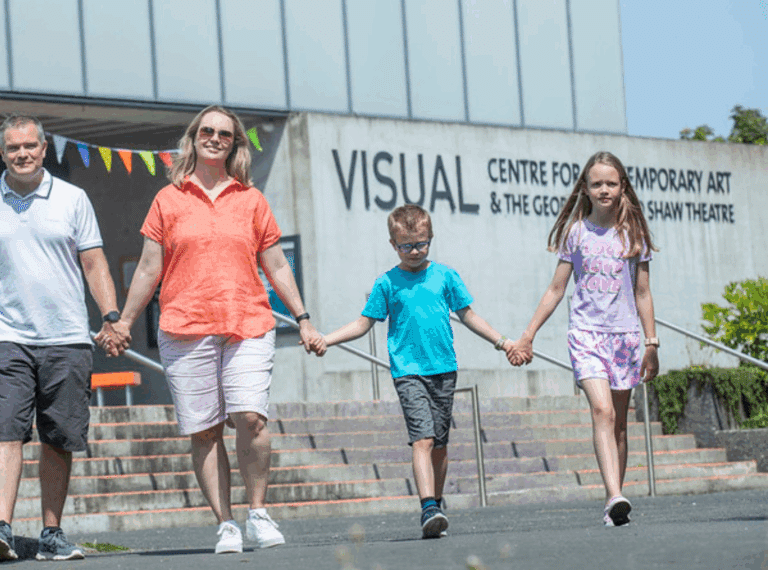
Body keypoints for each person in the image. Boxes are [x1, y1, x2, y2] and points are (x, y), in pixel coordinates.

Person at [96, 105, 325, 554]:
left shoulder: (251, 200)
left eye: (224, 133)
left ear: (235, 143)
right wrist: (124, 321)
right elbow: (149, 267)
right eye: (207, 131)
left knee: (250, 418)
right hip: (185, 327)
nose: (215, 138)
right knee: (204, 431)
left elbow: (276, 264)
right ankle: (227, 524)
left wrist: (302, 318)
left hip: (248, 322)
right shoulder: (168, 199)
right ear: (193, 138)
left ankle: (258, 512)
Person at [0, 115, 128, 562]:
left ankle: (52, 533)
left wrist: (111, 316)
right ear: (2, 153)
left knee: (59, 436)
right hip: (7, 336)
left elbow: (94, 263)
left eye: (30, 146)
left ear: (44, 149)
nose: (22, 154)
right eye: (13, 148)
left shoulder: (73, 198)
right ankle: (2, 528)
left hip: (67, 337)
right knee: (6, 427)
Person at [317, 204, 523, 539]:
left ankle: (436, 505)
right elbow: (363, 323)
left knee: (440, 444)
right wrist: (327, 339)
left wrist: (503, 342)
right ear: (393, 244)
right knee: (422, 438)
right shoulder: (387, 283)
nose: (414, 252)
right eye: (406, 246)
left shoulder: (445, 276)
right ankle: (427, 506)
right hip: (408, 372)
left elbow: (469, 316)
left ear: (431, 238)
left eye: (421, 244)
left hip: (444, 369)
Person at [511, 151, 659, 527]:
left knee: (620, 424)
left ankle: (614, 502)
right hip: (586, 334)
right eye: (597, 184)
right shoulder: (576, 232)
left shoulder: (634, 234)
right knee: (602, 411)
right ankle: (614, 496)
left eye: (611, 183)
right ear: (586, 189)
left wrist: (651, 343)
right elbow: (556, 289)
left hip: (624, 337)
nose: (604, 190)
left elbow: (642, 292)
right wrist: (528, 335)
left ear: (622, 186)